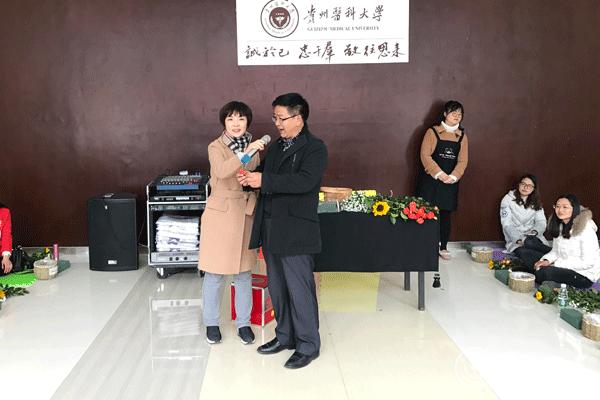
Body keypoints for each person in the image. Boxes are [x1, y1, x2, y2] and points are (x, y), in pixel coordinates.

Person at [237, 93, 327, 369]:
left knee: (300, 289)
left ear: (299, 118)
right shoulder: (277, 146)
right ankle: (285, 336)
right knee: (277, 288)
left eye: (281, 118)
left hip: (296, 230)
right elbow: (265, 174)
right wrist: (249, 179)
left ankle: (308, 345)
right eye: (275, 117)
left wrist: (264, 180)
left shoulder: (315, 148)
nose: (276, 123)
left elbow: (304, 182)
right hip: (271, 228)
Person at [198, 101, 266, 345]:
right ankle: (211, 323)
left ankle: (243, 324)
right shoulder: (215, 146)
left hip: (245, 213)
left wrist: (252, 177)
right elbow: (222, 170)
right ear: (224, 123)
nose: (236, 124)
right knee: (215, 273)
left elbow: (250, 175)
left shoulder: (254, 147)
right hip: (221, 214)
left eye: (241, 119)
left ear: (247, 122)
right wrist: (247, 152)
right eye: (231, 119)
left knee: (244, 273)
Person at [416, 100, 469, 260]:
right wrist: (439, 174)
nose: (457, 116)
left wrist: (453, 176)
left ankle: (443, 246)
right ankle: (423, 246)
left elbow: (463, 160)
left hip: (450, 182)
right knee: (426, 212)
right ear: (445, 114)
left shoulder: (462, 136)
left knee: (445, 215)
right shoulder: (432, 132)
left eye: (460, 114)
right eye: (453, 113)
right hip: (431, 180)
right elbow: (425, 155)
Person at [533, 194, 600, 288]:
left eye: (565, 207)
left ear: (574, 209)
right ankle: (552, 282)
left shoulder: (585, 229)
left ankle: (554, 283)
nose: (560, 210)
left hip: (584, 275)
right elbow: (555, 251)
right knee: (533, 260)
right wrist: (547, 260)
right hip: (563, 266)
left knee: (544, 272)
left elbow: (588, 262)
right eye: (557, 206)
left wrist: (556, 264)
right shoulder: (560, 225)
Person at [499, 174, 550, 271]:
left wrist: (535, 232)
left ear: (533, 189)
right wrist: (519, 239)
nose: (525, 187)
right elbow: (506, 224)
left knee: (530, 243)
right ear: (519, 185)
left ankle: (551, 257)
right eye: (523, 184)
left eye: (529, 186)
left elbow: (541, 221)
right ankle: (550, 259)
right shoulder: (507, 199)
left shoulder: (536, 201)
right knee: (524, 253)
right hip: (516, 240)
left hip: (533, 238)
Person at [0, 203, 13, 276]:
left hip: (1, 252)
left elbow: (6, 235)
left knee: (3, 268)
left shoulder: (5, 212)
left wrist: (6, 257)